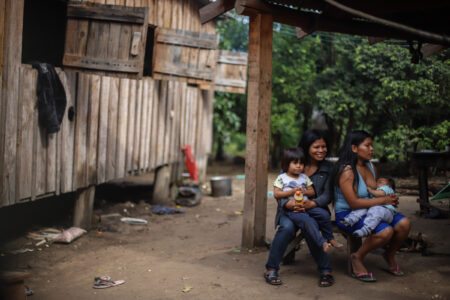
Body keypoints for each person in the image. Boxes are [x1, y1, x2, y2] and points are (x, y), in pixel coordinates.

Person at [334, 130, 411, 282]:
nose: (372, 149)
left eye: (372, 145)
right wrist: (383, 201)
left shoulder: (370, 166)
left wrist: (389, 198)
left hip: (372, 209)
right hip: (349, 214)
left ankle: (389, 254)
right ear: (354, 148)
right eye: (367, 145)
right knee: (385, 232)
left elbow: (375, 192)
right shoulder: (347, 171)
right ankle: (357, 257)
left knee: (404, 224)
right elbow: (354, 203)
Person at [264, 130, 337, 288]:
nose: (321, 150)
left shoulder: (329, 168)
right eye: (316, 147)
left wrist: (313, 203)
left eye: (324, 146)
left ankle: (325, 270)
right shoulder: (292, 162)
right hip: (289, 210)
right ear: (306, 147)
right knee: (286, 227)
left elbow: (327, 195)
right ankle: (271, 268)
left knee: (311, 224)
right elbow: (280, 190)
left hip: (315, 209)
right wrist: (286, 204)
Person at [273, 147, 337, 253]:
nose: (299, 166)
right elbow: (276, 194)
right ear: (286, 164)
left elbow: (312, 192)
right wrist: (291, 192)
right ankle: (322, 243)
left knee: (324, 215)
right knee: (306, 222)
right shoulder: (282, 177)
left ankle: (329, 237)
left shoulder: (304, 177)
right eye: (295, 163)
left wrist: (304, 192)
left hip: (307, 205)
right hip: (293, 208)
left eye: (301, 163)